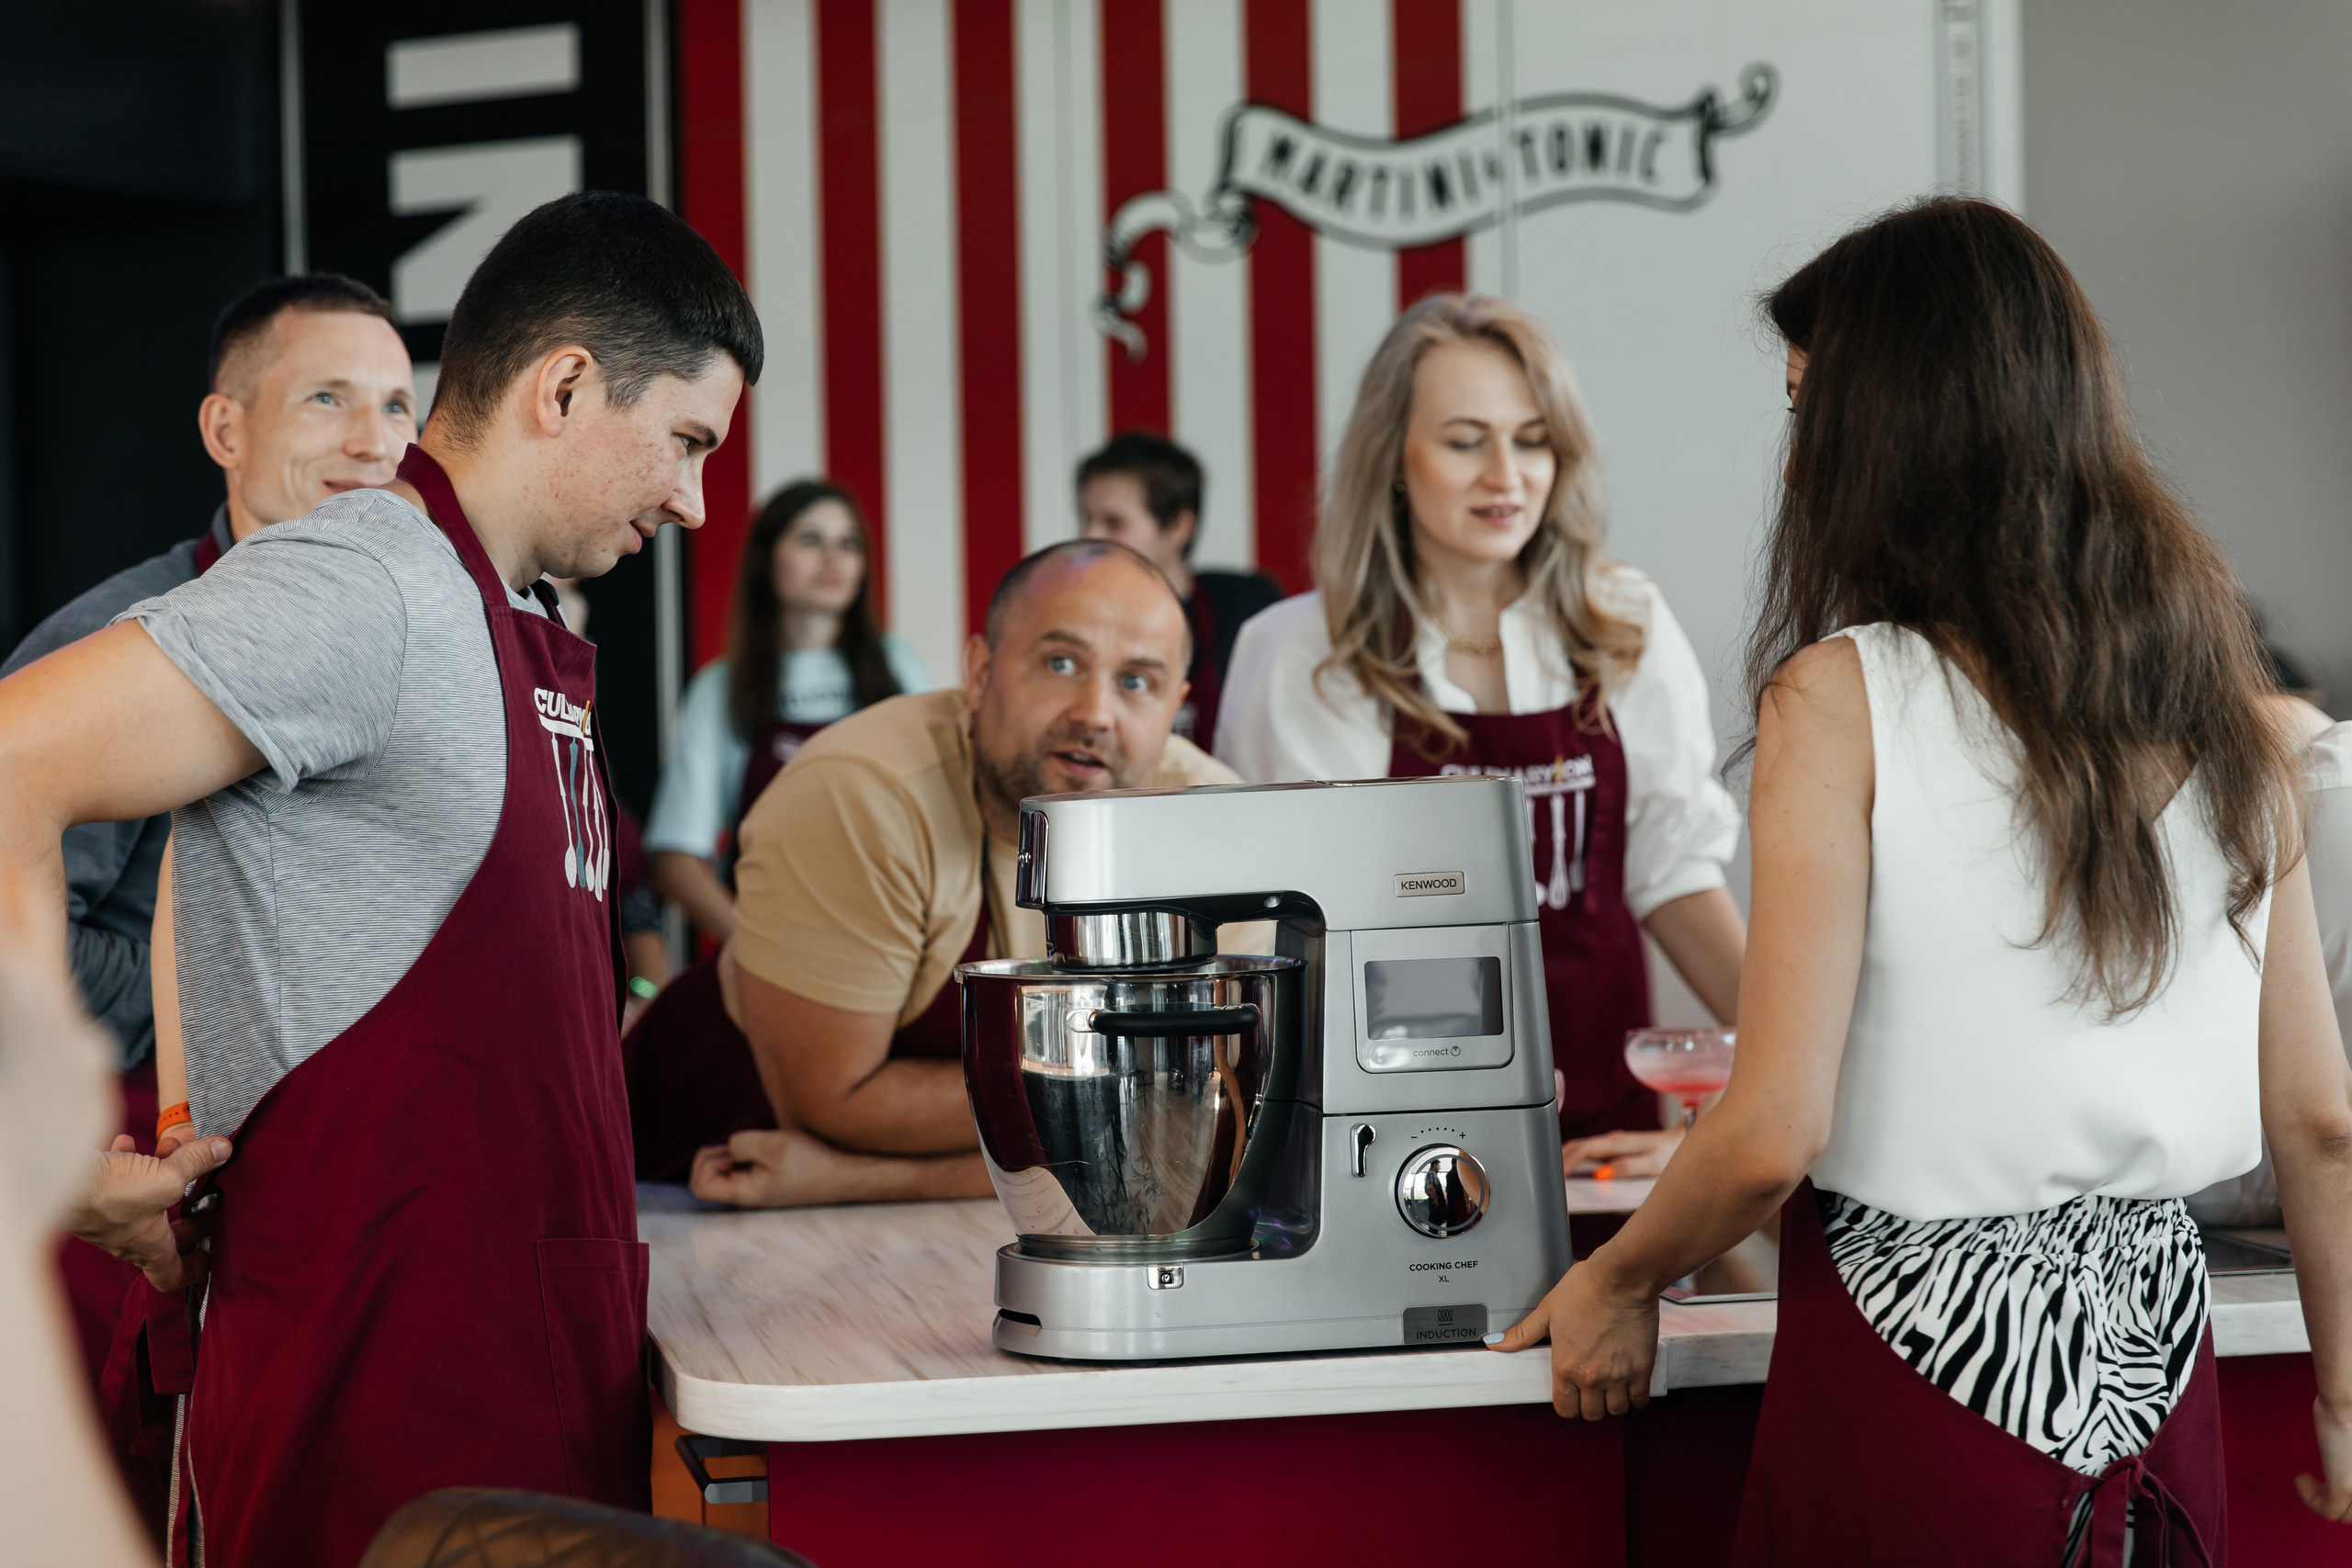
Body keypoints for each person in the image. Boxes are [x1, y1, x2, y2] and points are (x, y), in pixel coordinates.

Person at [1492, 197, 2352, 1556]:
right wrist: (2345, 1394)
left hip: (1919, 1385)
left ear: (1897, 426)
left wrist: (1619, 1272)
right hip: (2161, 1387)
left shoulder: (1842, 697)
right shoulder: (2230, 708)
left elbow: (1773, 1124)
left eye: (1805, 410)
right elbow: (2320, 1117)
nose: (1793, 468)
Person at [2, 190, 761, 1565]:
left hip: (525, 1365)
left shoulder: (513, 615)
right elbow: (11, 760)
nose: (696, 498)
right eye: (687, 442)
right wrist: (40, 1146)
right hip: (365, 1405)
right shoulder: (367, 586)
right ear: (569, 384)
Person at [1216, 294, 1746, 1163]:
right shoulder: (1300, 651)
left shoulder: (1622, 619)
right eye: (1467, 440)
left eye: (1532, 438)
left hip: (1602, 1124)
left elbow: (1675, 876)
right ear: (1393, 458)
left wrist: (1779, 1092)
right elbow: (1304, 941)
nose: (1507, 474)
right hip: (1384, 1136)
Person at [626, 540, 1244, 1207]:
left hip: (871, 1195)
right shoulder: (862, 794)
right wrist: (1124, 1102)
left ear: (1175, 704)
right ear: (980, 672)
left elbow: (1191, 1143)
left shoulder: (1211, 827)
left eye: (1136, 682)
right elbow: (831, 1102)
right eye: (1060, 663)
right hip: (689, 1185)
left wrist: (853, 1180)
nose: (1096, 712)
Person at [0, 274, 414, 1076]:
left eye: (398, 405)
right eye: (327, 399)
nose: (376, 443)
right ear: (228, 430)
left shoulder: (390, 630)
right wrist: (231, 1021)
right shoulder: (120, 638)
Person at [646, 480, 931, 943]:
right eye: (810, 540)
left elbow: (947, 818)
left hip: (892, 948)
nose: (834, 560)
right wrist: (765, 952)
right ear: (766, 558)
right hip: (769, 956)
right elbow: (675, 861)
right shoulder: (720, 688)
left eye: (849, 543)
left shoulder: (900, 668)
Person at [1076, 431, 1282, 754]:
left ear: (1178, 526)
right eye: (1086, 519)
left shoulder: (1246, 605)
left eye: (1114, 522)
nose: (1091, 537)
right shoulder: (1075, 617)